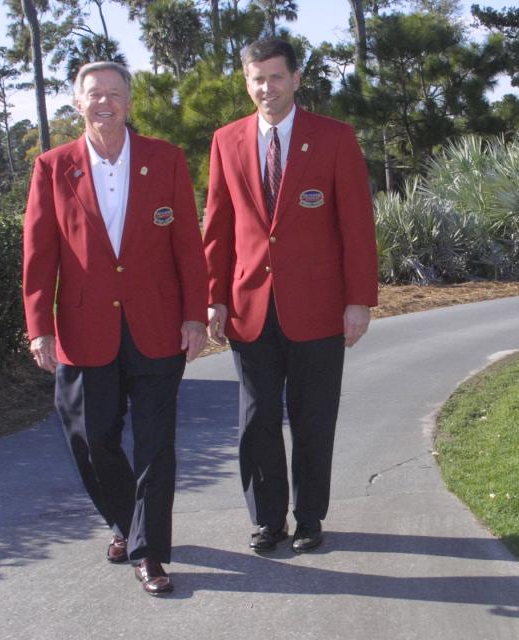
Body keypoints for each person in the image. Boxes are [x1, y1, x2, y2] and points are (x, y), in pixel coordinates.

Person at [22, 61, 208, 595]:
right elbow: (39, 256)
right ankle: (125, 521)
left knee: (156, 444)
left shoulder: (165, 159)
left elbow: (187, 249)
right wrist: (40, 328)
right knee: (90, 437)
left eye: (114, 93)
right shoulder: (52, 168)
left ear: (129, 100)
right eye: (93, 94)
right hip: (83, 328)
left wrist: (194, 315)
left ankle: (149, 552)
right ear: (77, 104)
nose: (104, 102)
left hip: (156, 324)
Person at [203, 38, 378, 554]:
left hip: (320, 306)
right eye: (257, 78)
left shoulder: (334, 138)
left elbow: (356, 227)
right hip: (248, 306)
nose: (266, 88)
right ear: (246, 81)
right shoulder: (226, 140)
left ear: (296, 79)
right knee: (256, 419)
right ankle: (267, 520)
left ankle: (309, 518)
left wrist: (358, 300)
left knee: (313, 417)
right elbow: (217, 228)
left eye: (276, 77)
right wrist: (213, 297)